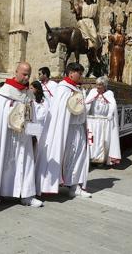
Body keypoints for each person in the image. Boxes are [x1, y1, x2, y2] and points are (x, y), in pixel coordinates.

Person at [0, 63, 43, 207]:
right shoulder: (5, 91)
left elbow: (33, 115)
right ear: (16, 72)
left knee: (26, 162)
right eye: (24, 74)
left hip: (23, 135)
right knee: (4, 162)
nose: (26, 78)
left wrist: (34, 135)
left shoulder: (28, 93)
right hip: (7, 134)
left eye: (28, 75)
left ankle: (27, 195)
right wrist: (15, 110)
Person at [36, 62, 91, 198]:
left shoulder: (76, 88)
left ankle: (74, 186)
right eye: (80, 73)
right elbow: (61, 110)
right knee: (65, 155)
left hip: (78, 128)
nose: (81, 76)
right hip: (66, 129)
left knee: (78, 156)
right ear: (71, 72)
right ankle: (54, 183)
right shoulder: (63, 88)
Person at [85, 76, 121, 165]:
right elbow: (87, 103)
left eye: (100, 85)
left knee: (103, 140)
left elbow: (113, 105)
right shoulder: (93, 92)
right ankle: (92, 157)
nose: (98, 87)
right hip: (93, 121)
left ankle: (102, 158)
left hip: (104, 122)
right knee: (93, 140)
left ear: (104, 85)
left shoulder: (109, 93)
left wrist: (109, 114)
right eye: (97, 85)